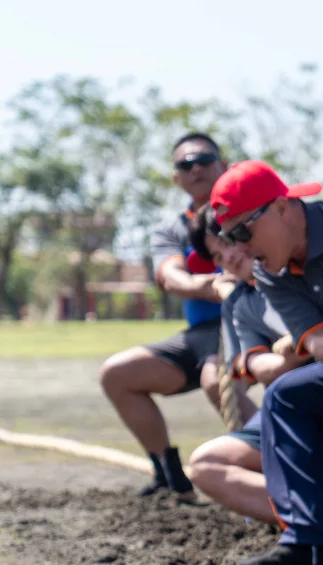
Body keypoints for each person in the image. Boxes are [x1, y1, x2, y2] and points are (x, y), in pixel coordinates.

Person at [210, 160, 323, 565]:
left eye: (242, 232)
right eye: (227, 236)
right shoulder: (269, 270)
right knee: (287, 395)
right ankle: (309, 539)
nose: (239, 248)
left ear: (283, 208)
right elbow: (317, 339)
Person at [100, 132, 230, 496]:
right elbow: (169, 275)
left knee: (215, 383)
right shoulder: (172, 228)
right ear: (176, 177)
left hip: (251, 324)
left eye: (205, 160)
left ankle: (282, 473)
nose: (196, 168)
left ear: (224, 165)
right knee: (118, 375)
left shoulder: (247, 210)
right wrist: (206, 286)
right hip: (202, 332)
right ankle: (169, 477)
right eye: (186, 164)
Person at [185, 205, 309, 522]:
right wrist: (288, 359)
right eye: (215, 256)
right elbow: (251, 371)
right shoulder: (240, 302)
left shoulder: (306, 270)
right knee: (206, 465)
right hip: (286, 409)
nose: (226, 257)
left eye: (227, 242)